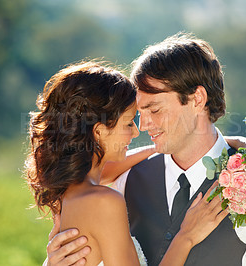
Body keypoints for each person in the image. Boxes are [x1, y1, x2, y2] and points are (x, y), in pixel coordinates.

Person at [45, 33, 246, 266]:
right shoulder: (125, 182)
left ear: (197, 100)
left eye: (154, 110)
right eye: (139, 113)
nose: (143, 126)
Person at [25, 61, 229, 266]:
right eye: (129, 123)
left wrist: (169, 144)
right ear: (98, 131)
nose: (136, 131)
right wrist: (186, 237)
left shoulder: (70, 192)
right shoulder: (105, 202)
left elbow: (106, 171)